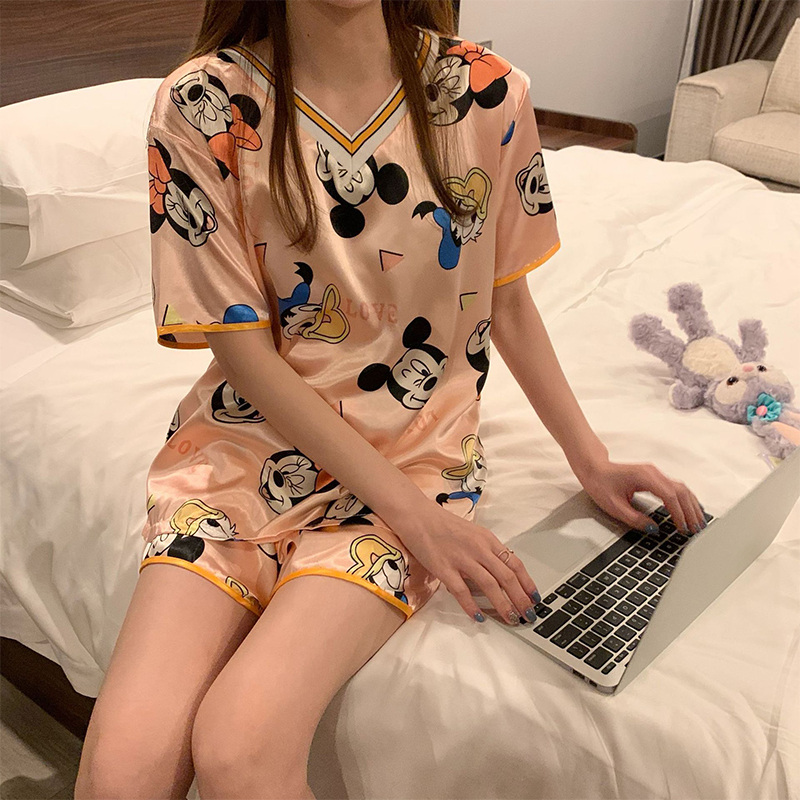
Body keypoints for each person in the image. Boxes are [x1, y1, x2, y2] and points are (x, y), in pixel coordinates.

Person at [74, 1, 705, 798]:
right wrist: (422, 525)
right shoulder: (202, 102)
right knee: (119, 770)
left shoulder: (486, 90)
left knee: (239, 747)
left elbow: (503, 297)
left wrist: (591, 459)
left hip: (411, 463)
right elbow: (242, 351)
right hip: (239, 457)